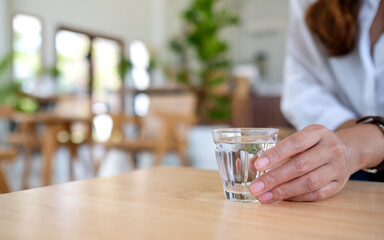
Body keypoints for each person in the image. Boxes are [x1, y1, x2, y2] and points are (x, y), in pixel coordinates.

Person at [249, 0, 384, 203]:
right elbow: (302, 88)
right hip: (349, 174)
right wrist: (340, 145)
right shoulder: (308, 3)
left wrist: (358, 144)